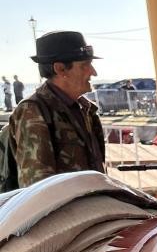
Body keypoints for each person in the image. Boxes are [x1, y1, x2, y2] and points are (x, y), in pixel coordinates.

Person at [7, 31, 106, 187]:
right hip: (67, 211)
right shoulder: (33, 111)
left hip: (92, 207)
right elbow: (36, 189)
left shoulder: (86, 109)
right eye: (85, 65)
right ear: (60, 69)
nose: (93, 72)